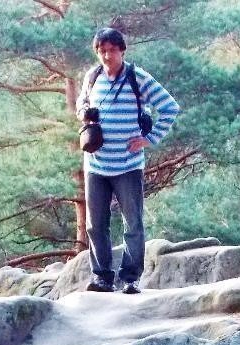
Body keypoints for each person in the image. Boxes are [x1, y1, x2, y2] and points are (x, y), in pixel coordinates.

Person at [77, 28, 180, 294]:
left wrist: (150, 138)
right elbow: (81, 105)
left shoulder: (138, 78)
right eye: (102, 51)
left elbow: (170, 107)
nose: (107, 55)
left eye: (112, 50)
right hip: (96, 164)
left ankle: (130, 278)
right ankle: (102, 277)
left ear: (122, 50)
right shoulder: (93, 76)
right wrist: (84, 113)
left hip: (128, 165)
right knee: (95, 224)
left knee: (132, 223)